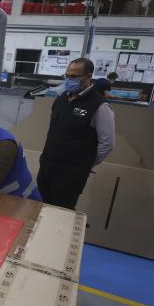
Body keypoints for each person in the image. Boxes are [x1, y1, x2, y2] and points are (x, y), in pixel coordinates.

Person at [37, 57, 116, 210]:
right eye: (67, 76)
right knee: (41, 210)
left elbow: (107, 143)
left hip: (70, 175)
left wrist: (87, 163)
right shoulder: (61, 100)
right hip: (47, 168)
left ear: (88, 76)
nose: (69, 80)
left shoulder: (100, 106)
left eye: (74, 76)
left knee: (61, 214)